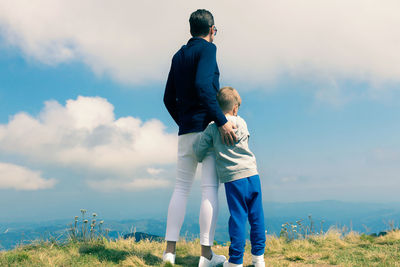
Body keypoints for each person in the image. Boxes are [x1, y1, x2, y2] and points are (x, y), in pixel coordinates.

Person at [163, 9, 237, 267]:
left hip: (185, 130)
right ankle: (205, 256)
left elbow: (167, 98)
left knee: (181, 189)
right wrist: (222, 121)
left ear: (190, 29)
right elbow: (204, 86)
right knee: (209, 190)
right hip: (207, 129)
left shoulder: (178, 55)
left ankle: (169, 254)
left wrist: (184, 121)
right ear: (212, 30)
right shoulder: (208, 50)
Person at [193, 87, 266, 267]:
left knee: (238, 217)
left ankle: (235, 261)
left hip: (234, 179)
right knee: (257, 217)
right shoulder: (242, 122)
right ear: (235, 108)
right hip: (252, 174)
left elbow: (199, 153)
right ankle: (259, 259)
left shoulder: (213, 127)